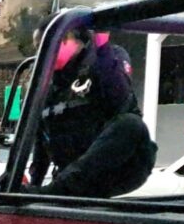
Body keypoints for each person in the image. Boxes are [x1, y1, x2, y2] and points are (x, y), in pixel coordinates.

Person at [24, 20, 157, 198]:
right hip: (74, 171)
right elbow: (42, 137)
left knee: (131, 123)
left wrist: (102, 48)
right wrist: (33, 187)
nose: (43, 52)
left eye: (50, 44)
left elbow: (120, 97)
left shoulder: (105, 60)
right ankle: (59, 188)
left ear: (77, 40)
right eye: (39, 47)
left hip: (120, 164)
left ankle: (60, 188)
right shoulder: (47, 82)